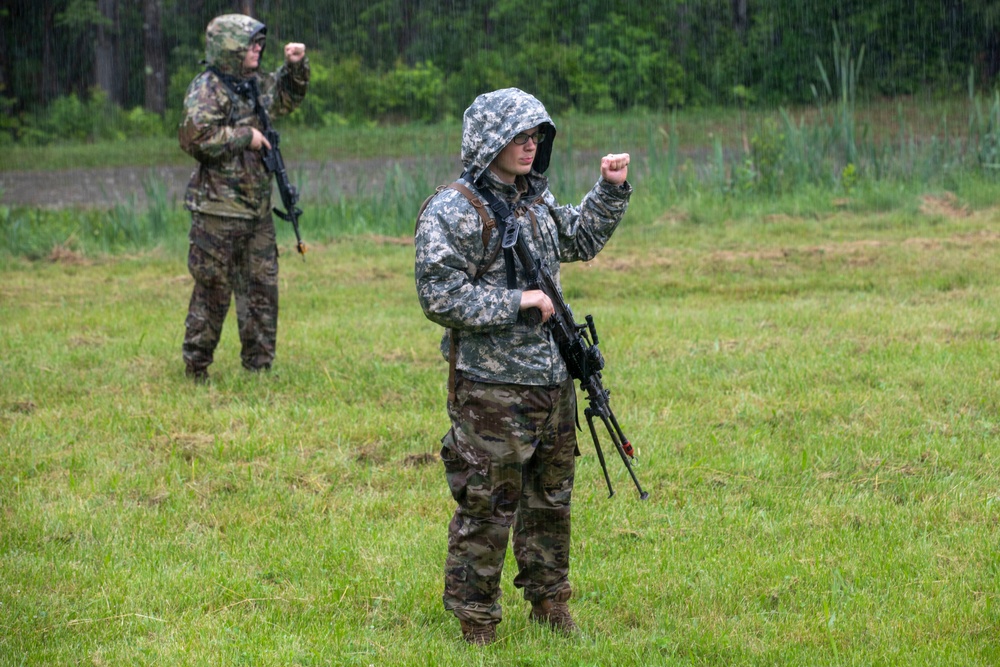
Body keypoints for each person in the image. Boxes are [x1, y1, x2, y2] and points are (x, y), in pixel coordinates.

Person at [414, 88, 632, 645]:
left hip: (552, 380)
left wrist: (608, 191)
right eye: (518, 137)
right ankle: (476, 619)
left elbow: (579, 237)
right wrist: (516, 302)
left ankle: (550, 603)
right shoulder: (453, 210)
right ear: (489, 142)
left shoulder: (534, 201)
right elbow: (439, 296)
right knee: (487, 504)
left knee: (550, 500)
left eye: (536, 136)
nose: (530, 146)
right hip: (491, 389)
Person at [178, 14, 309, 382]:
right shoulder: (208, 88)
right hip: (218, 211)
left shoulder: (253, 84)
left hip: (257, 210)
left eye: (259, 43)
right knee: (213, 290)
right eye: (250, 43)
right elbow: (195, 139)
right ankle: (196, 366)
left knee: (261, 289)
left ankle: (259, 368)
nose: (257, 49)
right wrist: (244, 136)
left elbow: (284, 99)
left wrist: (296, 67)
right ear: (229, 47)